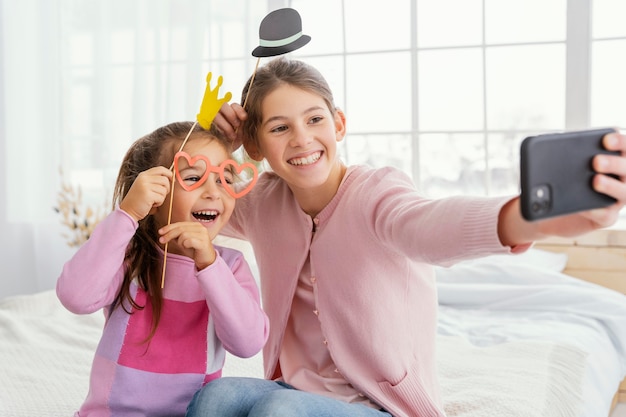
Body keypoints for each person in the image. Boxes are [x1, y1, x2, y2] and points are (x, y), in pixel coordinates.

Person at [184, 57, 626, 417]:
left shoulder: (377, 193)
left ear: (338, 124)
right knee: (213, 399)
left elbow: (433, 224)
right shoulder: (260, 201)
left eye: (314, 119)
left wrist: (534, 219)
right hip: (292, 388)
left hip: (380, 404)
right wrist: (211, 139)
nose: (302, 139)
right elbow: (183, 195)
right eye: (279, 127)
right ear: (255, 146)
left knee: (280, 414)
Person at [57, 121, 269, 417]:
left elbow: (248, 344)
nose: (213, 192)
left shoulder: (230, 267)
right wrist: (127, 214)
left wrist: (209, 265)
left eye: (224, 179)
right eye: (194, 177)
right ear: (154, 198)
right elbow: (75, 296)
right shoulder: (128, 256)